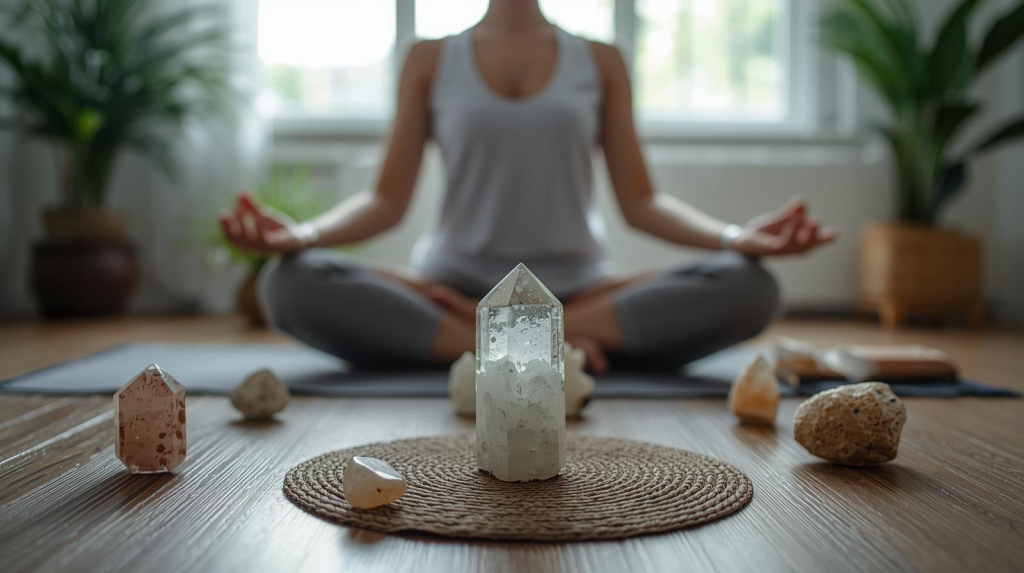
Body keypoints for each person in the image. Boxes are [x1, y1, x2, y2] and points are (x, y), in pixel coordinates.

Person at [219, 0, 835, 374]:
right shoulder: (430, 58)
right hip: (451, 287)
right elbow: (387, 201)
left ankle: (487, 346)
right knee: (287, 282)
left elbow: (641, 203)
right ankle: (553, 347)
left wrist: (737, 238)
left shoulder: (600, 61)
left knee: (749, 285)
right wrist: (301, 234)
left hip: (576, 286)